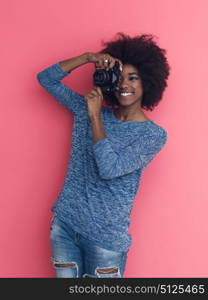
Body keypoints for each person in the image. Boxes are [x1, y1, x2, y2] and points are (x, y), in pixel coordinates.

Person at [36, 32, 170, 278]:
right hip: (65, 225)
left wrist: (95, 117)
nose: (124, 84)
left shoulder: (152, 135)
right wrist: (87, 58)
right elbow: (46, 79)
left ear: (148, 82)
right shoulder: (85, 107)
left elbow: (109, 168)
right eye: (119, 77)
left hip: (105, 239)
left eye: (133, 78)